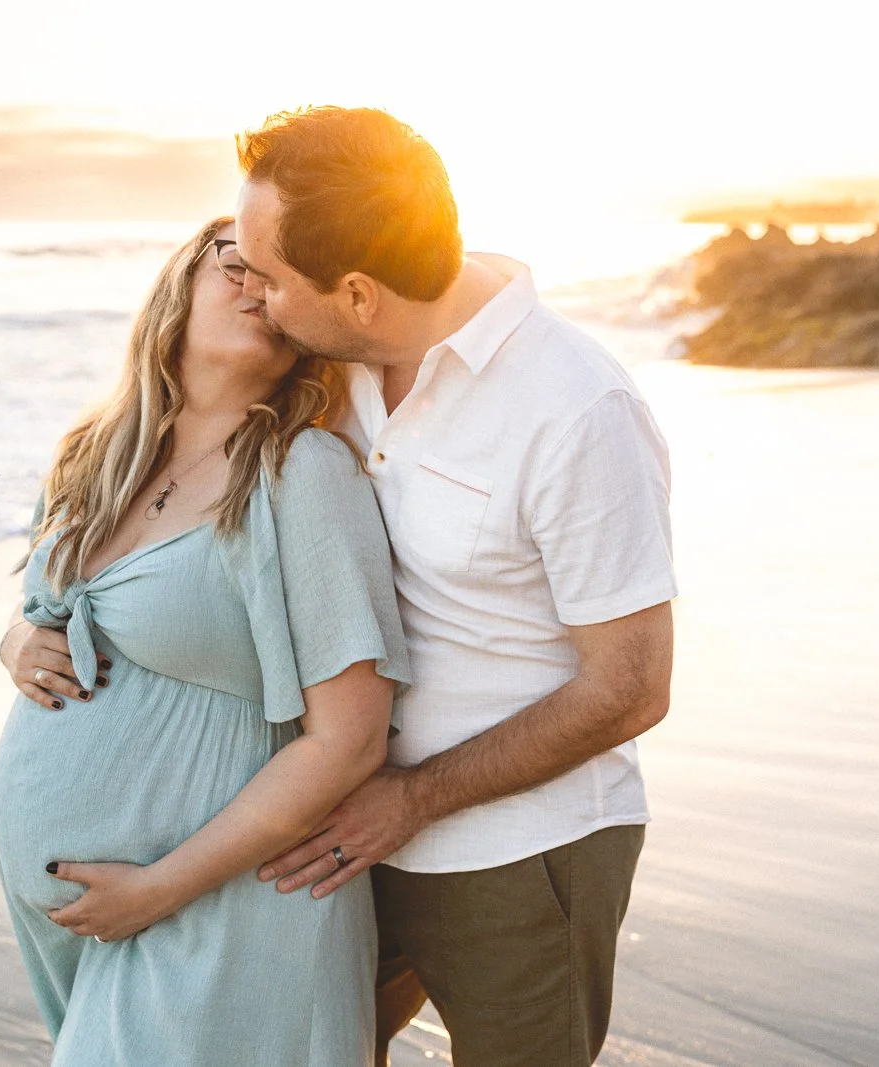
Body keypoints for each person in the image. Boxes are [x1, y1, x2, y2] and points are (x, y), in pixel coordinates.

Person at [236, 107, 677, 1066]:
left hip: (522, 852)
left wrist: (415, 798)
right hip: (346, 825)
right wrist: (38, 624)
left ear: (356, 291)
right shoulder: (327, 365)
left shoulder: (576, 409)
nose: (257, 301)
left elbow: (631, 686)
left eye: (268, 278)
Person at [0, 216, 410, 1067]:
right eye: (239, 264)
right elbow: (43, 601)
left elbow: (351, 738)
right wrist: (14, 642)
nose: (259, 286)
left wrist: (156, 888)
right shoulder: (90, 455)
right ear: (180, 280)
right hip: (92, 926)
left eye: (283, 277)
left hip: (226, 909)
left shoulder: (303, 474)